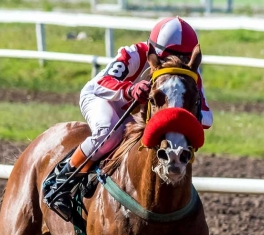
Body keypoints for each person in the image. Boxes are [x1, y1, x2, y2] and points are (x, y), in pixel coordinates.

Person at [43, 16, 212, 219]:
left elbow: (207, 117)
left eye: (183, 59)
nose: (176, 64)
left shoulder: (189, 75)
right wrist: (130, 89)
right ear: (154, 51)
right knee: (110, 132)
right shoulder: (133, 54)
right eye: (169, 58)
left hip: (136, 113)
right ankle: (60, 181)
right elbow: (101, 82)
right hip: (103, 98)